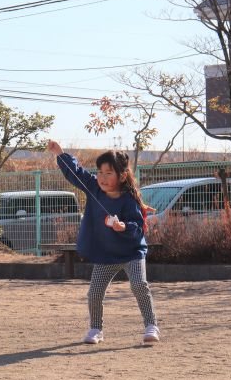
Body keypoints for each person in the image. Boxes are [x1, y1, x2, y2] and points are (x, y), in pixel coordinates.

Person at [46, 140, 160, 345]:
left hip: (132, 253)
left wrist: (123, 227)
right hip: (106, 255)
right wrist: (60, 153)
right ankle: (96, 329)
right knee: (95, 292)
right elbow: (76, 173)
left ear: (122, 176)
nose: (102, 177)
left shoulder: (129, 199)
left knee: (139, 284)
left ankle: (151, 325)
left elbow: (137, 225)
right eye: (100, 172)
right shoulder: (93, 188)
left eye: (109, 173)